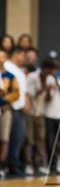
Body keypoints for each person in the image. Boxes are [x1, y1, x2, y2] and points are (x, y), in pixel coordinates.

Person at [25, 59, 53, 175]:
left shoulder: (50, 79)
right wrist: (44, 89)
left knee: (41, 139)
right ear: (43, 68)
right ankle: (28, 164)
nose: (49, 73)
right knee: (29, 139)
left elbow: (48, 99)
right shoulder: (32, 77)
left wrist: (49, 92)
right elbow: (31, 95)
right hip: (30, 112)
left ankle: (40, 164)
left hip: (41, 113)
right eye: (48, 70)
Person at [5, 47, 28, 176]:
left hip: (20, 108)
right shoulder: (8, 67)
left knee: (18, 138)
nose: (24, 58)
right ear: (16, 54)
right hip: (12, 107)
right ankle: (11, 165)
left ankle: (14, 164)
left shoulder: (19, 70)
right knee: (10, 138)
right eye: (22, 55)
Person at [0, 49, 20, 178]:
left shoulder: (10, 76)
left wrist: (5, 98)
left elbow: (16, 93)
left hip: (5, 109)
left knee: (4, 138)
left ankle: (1, 164)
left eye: (2, 56)